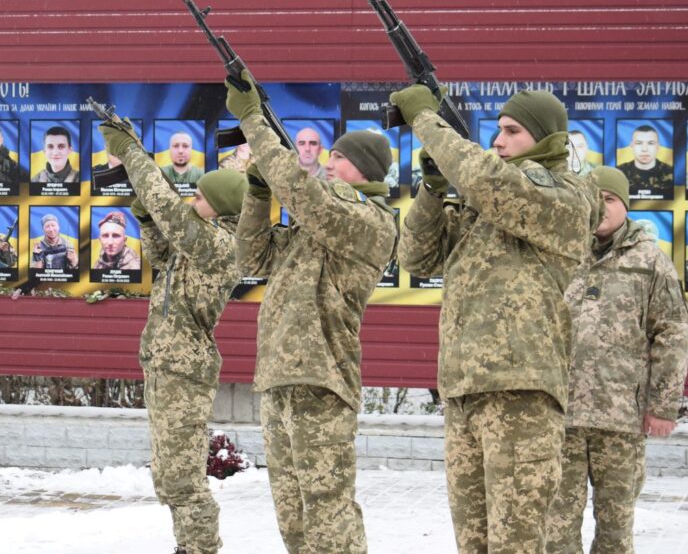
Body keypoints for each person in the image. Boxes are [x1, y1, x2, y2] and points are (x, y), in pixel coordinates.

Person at [393, 85, 598, 553]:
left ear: (546, 138)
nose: (499, 142)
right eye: (497, 131)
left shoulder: (566, 195)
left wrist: (427, 121)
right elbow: (418, 257)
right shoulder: (488, 198)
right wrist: (432, 188)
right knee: (475, 545)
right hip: (465, 390)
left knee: (517, 545)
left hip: (520, 391)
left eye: (512, 131)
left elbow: (492, 182)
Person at [226, 70, 398, 553]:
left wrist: (255, 126)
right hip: (280, 376)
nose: (326, 162)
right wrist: (258, 195)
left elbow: (308, 199)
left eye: (338, 157)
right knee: (294, 515)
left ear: (364, 170)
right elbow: (252, 257)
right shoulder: (315, 225)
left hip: (323, 378)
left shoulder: (369, 221)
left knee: (327, 509)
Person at [99, 116, 247, 554]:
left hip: (184, 368)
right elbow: (162, 250)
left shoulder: (219, 244)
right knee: (168, 475)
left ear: (218, 206)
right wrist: (143, 210)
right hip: (166, 364)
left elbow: (171, 213)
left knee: (182, 478)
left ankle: (199, 548)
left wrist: (130, 152)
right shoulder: (197, 242)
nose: (192, 199)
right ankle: (189, 544)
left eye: (200, 195)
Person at [545, 167, 688, 553]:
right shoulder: (558, 253)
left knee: (615, 530)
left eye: (609, 199)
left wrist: (662, 406)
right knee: (555, 530)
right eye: (593, 199)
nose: (601, 207)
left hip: (621, 418)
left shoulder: (651, 262)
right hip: (562, 417)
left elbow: (672, 334)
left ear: (625, 204)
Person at [617, 124, 673, 192]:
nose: (644, 149)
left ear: (658, 146)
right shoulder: (618, 173)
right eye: (639, 143)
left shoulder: (672, 173)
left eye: (651, 143)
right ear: (631, 145)